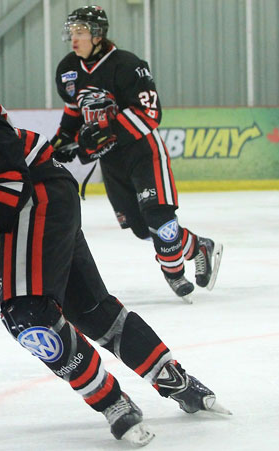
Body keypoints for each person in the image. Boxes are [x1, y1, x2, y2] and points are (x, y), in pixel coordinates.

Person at [0, 13, 230, 446]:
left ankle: (114, 403)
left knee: (27, 314)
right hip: (41, 189)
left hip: (33, 193)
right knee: (92, 310)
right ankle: (178, 382)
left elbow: (3, 177)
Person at [51, 5, 223, 302]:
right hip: (112, 163)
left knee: (160, 220)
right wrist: (63, 139)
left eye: (80, 32)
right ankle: (198, 246)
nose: (74, 39)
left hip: (142, 153)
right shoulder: (69, 68)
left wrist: (105, 132)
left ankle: (173, 272)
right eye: (72, 33)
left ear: (97, 35)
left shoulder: (128, 65)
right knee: (143, 230)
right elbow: (74, 110)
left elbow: (151, 113)